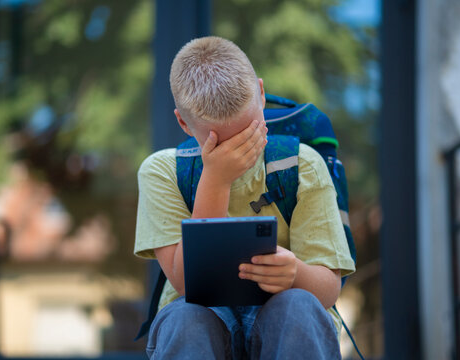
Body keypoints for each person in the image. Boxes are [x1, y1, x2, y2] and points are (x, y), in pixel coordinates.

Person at [134, 36, 356, 360]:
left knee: (299, 306)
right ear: (183, 123)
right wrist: (215, 179)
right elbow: (185, 283)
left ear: (261, 94)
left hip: (284, 323)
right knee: (184, 318)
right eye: (221, 142)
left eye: (250, 130)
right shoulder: (161, 172)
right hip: (201, 324)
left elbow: (328, 289)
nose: (240, 150)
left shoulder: (302, 165)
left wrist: (294, 273)